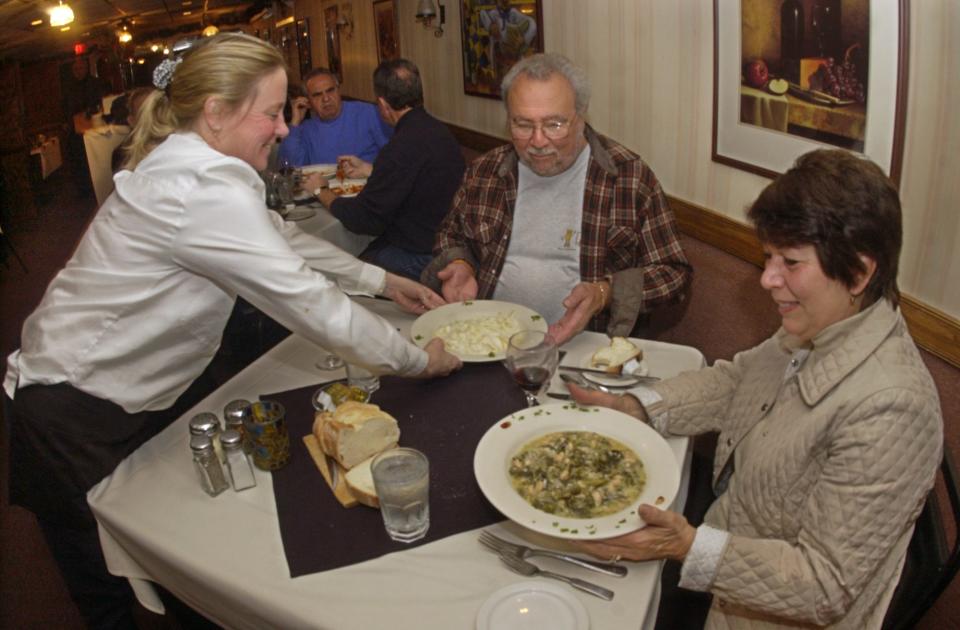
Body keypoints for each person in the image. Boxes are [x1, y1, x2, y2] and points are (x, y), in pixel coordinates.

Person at [3, 33, 460, 630]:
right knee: (105, 581)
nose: (282, 129)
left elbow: (281, 237)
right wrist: (417, 362)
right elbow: (312, 304)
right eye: (270, 114)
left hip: (133, 390)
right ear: (215, 113)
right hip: (73, 404)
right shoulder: (199, 186)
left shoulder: (209, 167)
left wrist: (378, 281)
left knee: (167, 557)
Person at [567, 149, 943, 628]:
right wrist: (636, 405)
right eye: (768, 257)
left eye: (790, 261)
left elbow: (822, 585)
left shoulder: (892, 408)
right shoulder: (824, 321)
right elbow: (738, 381)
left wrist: (685, 545)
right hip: (730, 537)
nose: (768, 279)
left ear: (860, 272)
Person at [421, 52, 690, 345]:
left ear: (581, 115)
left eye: (554, 124)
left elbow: (674, 275)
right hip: (487, 339)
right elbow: (451, 233)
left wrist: (605, 292)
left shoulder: (629, 178)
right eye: (523, 124)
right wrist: (461, 263)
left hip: (583, 347)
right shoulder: (485, 172)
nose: (537, 141)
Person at [306, 59, 465, 280]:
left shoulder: (401, 146)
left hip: (423, 256)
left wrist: (320, 191)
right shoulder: (437, 130)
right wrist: (371, 169)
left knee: (341, 265)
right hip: (451, 245)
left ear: (382, 104)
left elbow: (362, 219)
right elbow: (415, 177)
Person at [277, 67, 392, 166]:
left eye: (330, 90)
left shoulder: (369, 113)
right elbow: (290, 169)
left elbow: (394, 155)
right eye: (317, 95)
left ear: (338, 90)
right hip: (322, 190)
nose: (326, 99)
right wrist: (295, 123)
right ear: (308, 102)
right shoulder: (305, 129)